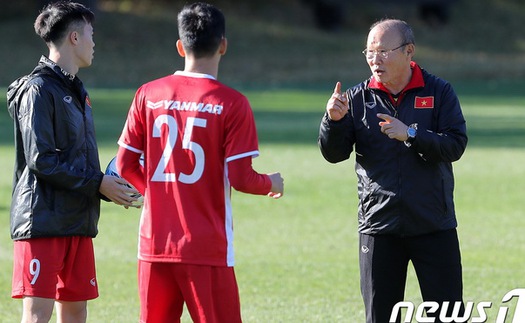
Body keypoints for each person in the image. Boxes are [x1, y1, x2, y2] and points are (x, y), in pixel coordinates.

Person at [115, 2, 284, 322]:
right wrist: (271, 183)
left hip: (154, 244)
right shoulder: (231, 103)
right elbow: (242, 178)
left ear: (180, 46)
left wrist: (155, 196)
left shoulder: (147, 93)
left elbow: (124, 165)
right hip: (206, 247)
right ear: (223, 45)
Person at [318, 19, 467, 323]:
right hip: (379, 227)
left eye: (384, 51)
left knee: (448, 317)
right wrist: (332, 122)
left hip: (433, 224)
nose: (375, 59)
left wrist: (411, 135)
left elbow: (455, 145)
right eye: (370, 52)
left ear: (409, 51)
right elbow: (334, 155)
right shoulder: (356, 98)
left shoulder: (439, 91)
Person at [6, 1, 139, 322]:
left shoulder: (78, 90)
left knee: (77, 311)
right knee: (38, 314)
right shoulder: (38, 90)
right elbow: (42, 160)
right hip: (42, 222)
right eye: (91, 34)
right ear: (75, 38)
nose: (95, 42)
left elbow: (74, 159)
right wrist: (98, 183)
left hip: (77, 220)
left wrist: (108, 187)